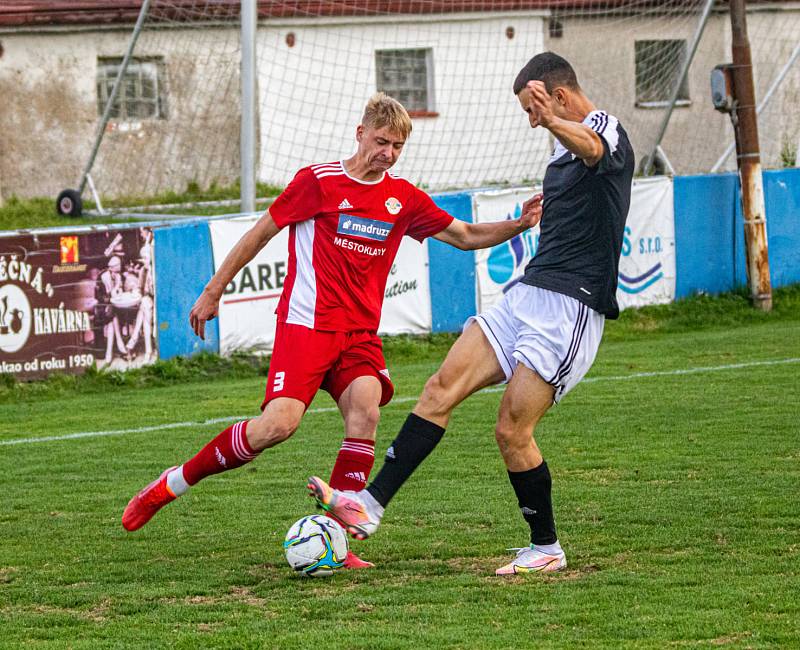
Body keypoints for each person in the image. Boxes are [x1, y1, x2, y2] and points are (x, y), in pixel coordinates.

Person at [121, 93, 541, 569]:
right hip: (306, 328)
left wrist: (519, 223)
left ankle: (336, 543)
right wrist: (214, 290)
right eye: (382, 141)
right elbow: (260, 233)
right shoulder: (317, 183)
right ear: (360, 133)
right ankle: (170, 484)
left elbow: (464, 236)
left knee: (365, 413)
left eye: (398, 146)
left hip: (358, 334)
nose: (388, 153)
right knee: (277, 427)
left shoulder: (402, 198)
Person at [308, 52, 635, 575]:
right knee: (440, 388)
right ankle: (368, 508)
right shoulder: (558, 148)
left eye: (534, 108)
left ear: (556, 94)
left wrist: (551, 119)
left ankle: (546, 546)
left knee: (511, 430)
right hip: (527, 294)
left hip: (571, 307)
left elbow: (596, 150)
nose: (532, 120)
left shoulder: (603, 127)